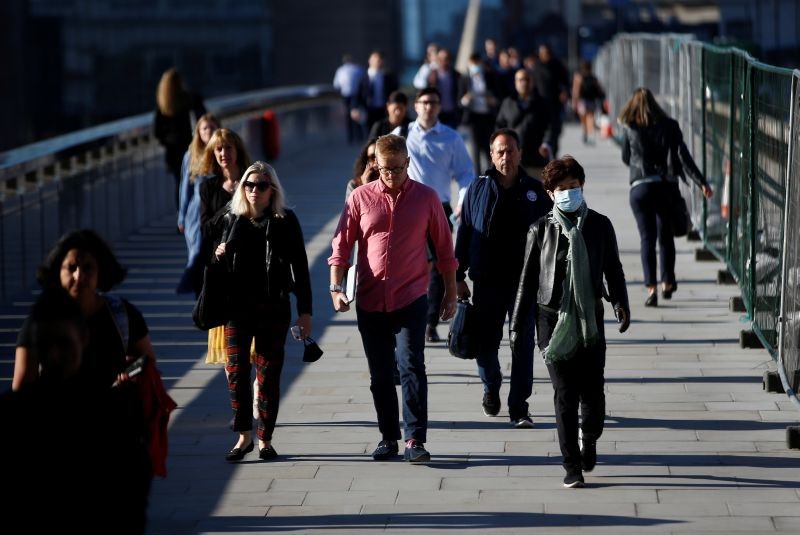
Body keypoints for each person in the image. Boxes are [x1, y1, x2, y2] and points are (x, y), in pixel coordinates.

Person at [328, 134, 458, 463]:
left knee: (412, 365)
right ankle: (388, 437)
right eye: (386, 169)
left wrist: (451, 292)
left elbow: (444, 248)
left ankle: (414, 438)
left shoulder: (426, 198)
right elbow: (340, 246)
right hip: (370, 300)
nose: (392, 176)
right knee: (381, 374)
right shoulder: (359, 198)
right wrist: (336, 287)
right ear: (376, 165)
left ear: (408, 164)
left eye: (398, 169)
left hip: (412, 297)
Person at [510, 156, 630, 488]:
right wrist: (517, 324)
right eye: (561, 189)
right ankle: (570, 464)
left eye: (573, 187)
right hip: (550, 320)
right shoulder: (540, 229)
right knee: (565, 393)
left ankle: (589, 436)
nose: (568, 194)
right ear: (549, 193)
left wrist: (620, 302)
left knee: (592, 393)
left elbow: (613, 269)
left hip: (590, 317)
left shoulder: (600, 225)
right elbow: (526, 280)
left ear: (583, 187)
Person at [1, 288, 152, 533]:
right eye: (46, 344)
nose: (54, 355)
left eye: (62, 343)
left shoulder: (112, 414)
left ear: (83, 338)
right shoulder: (111, 414)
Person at [213, 161, 312, 463]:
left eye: (262, 185)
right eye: (250, 185)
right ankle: (243, 437)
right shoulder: (231, 219)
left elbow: (301, 268)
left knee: (268, 375)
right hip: (236, 309)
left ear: (273, 190)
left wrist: (305, 312)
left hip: (273, 308)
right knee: (236, 372)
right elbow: (210, 263)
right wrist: (217, 254)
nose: (255, 190)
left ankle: (265, 439)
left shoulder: (285, 221)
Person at [455, 129, 552, 426]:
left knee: (522, 343)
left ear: (521, 152)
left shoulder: (535, 190)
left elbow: (550, 237)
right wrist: (457, 275)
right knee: (486, 342)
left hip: (526, 283)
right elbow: (466, 233)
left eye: (510, 150)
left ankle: (519, 406)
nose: (505, 156)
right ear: (491, 154)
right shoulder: (478, 188)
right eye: (500, 151)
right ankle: (491, 385)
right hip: (487, 278)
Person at [13, 229, 156, 392]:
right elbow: (22, 389)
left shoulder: (122, 314)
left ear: (100, 272)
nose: (79, 276)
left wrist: (131, 373)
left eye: (88, 268)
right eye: (71, 268)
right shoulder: (39, 322)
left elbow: (148, 361)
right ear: (58, 271)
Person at [619, 87, 714, 307]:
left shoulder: (630, 128)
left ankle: (651, 289)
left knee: (647, 238)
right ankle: (667, 282)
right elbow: (684, 156)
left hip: (640, 189)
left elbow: (626, 158)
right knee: (665, 236)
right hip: (665, 188)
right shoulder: (670, 126)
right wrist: (701, 182)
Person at [402, 87, 474, 343]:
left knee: (438, 266)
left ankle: (430, 321)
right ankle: (407, 318)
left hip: (439, 209)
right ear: (416, 105)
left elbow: (466, 173)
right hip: (405, 210)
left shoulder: (451, 138)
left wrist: (462, 202)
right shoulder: (402, 134)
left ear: (439, 106)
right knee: (409, 265)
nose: (428, 107)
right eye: (423, 102)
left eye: (433, 102)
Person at [197, 128, 252, 364]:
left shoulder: (253, 182)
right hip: (221, 269)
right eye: (218, 149)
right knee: (231, 355)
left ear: (237, 150)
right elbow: (206, 228)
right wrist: (230, 208)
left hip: (249, 266)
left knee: (253, 347)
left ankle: (257, 393)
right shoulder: (208, 188)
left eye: (228, 147)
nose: (223, 153)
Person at [176, 112, 221, 295]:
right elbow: (184, 188)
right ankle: (195, 291)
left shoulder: (222, 151)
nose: (208, 131)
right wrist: (182, 217)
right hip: (196, 214)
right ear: (198, 132)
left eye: (212, 127)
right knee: (196, 254)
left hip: (217, 210)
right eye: (204, 128)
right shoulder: (191, 155)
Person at [154, 67, 206, 208]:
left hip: (174, 152)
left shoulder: (164, 106)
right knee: (196, 182)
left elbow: (157, 132)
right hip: (192, 147)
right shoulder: (191, 100)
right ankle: (195, 215)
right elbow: (204, 119)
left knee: (180, 184)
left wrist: (169, 141)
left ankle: (182, 217)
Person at [495, 68, 552, 180]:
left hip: (537, 160)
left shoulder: (543, 104)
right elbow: (499, 128)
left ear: (532, 82)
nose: (524, 83)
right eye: (520, 80)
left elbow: (552, 127)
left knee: (537, 194)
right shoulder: (508, 103)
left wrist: (547, 143)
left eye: (527, 79)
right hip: (512, 161)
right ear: (515, 83)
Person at [459, 53, 499, 176]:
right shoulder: (465, 78)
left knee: (489, 147)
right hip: (473, 117)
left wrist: (492, 100)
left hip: (488, 116)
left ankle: (492, 173)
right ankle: (477, 176)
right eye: (473, 64)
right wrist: (466, 99)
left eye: (478, 63)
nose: (476, 66)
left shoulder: (489, 76)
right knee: (475, 148)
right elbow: (459, 101)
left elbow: (497, 97)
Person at [532, 45, 570, 157]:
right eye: (542, 53)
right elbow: (533, 84)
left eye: (547, 52)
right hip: (539, 104)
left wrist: (565, 92)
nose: (545, 55)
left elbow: (566, 81)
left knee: (555, 129)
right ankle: (542, 153)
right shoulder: (536, 66)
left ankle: (554, 152)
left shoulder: (557, 65)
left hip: (554, 103)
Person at [356, 50, 399, 136]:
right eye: (375, 60)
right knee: (371, 134)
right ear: (370, 61)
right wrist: (355, 108)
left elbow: (395, 93)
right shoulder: (364, 78)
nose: (378, 62)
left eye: (380, 60)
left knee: (385, 133)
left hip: (384, 109)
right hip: (369, 110)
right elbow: (358, 94)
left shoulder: (388, 77)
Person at [425, 47, 462, 128]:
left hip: (452, 113)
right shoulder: (432, 75)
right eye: (440, 59)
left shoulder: (456, 75)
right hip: (437, 114)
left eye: (446, 58)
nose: (443, 61)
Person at [333, 53, 366, 144]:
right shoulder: (358, 68)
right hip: (356, 95)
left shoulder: (340, 70)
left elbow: (336, 85)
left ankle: (350, 138)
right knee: (357, 116)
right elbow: (364, 81)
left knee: (348, 116)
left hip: (345, 96)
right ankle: (359, 136)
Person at [571, 60, 605, 145]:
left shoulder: (579, 77)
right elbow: (599, 88)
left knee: (583, 119)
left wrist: (574, 102)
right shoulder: (593, 77)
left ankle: (585, 133)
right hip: (591, 101)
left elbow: (576, 90)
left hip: (582, 101)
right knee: (590, 117)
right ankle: (591, 133)